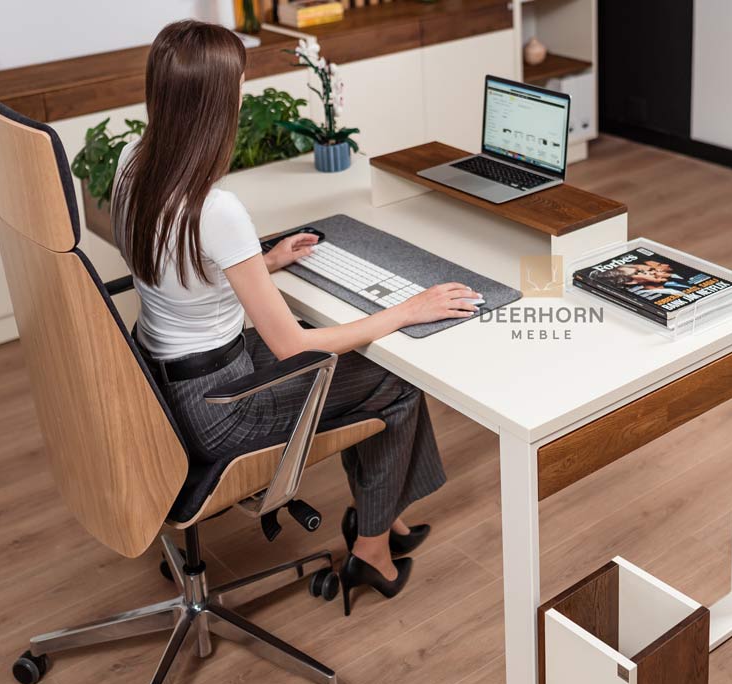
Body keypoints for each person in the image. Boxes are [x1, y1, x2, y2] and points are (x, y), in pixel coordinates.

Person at [112, 21, 478, 615]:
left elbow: (177, 266)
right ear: (214, 105)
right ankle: (373, 549)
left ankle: (391, 514)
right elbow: (292, 345)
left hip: (166, 383)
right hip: (223, 409)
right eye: (236, 89)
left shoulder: (135, 162)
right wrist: (406, 311)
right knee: (397, 379)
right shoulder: (214, 209)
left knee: (370, 371)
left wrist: (264, 260)